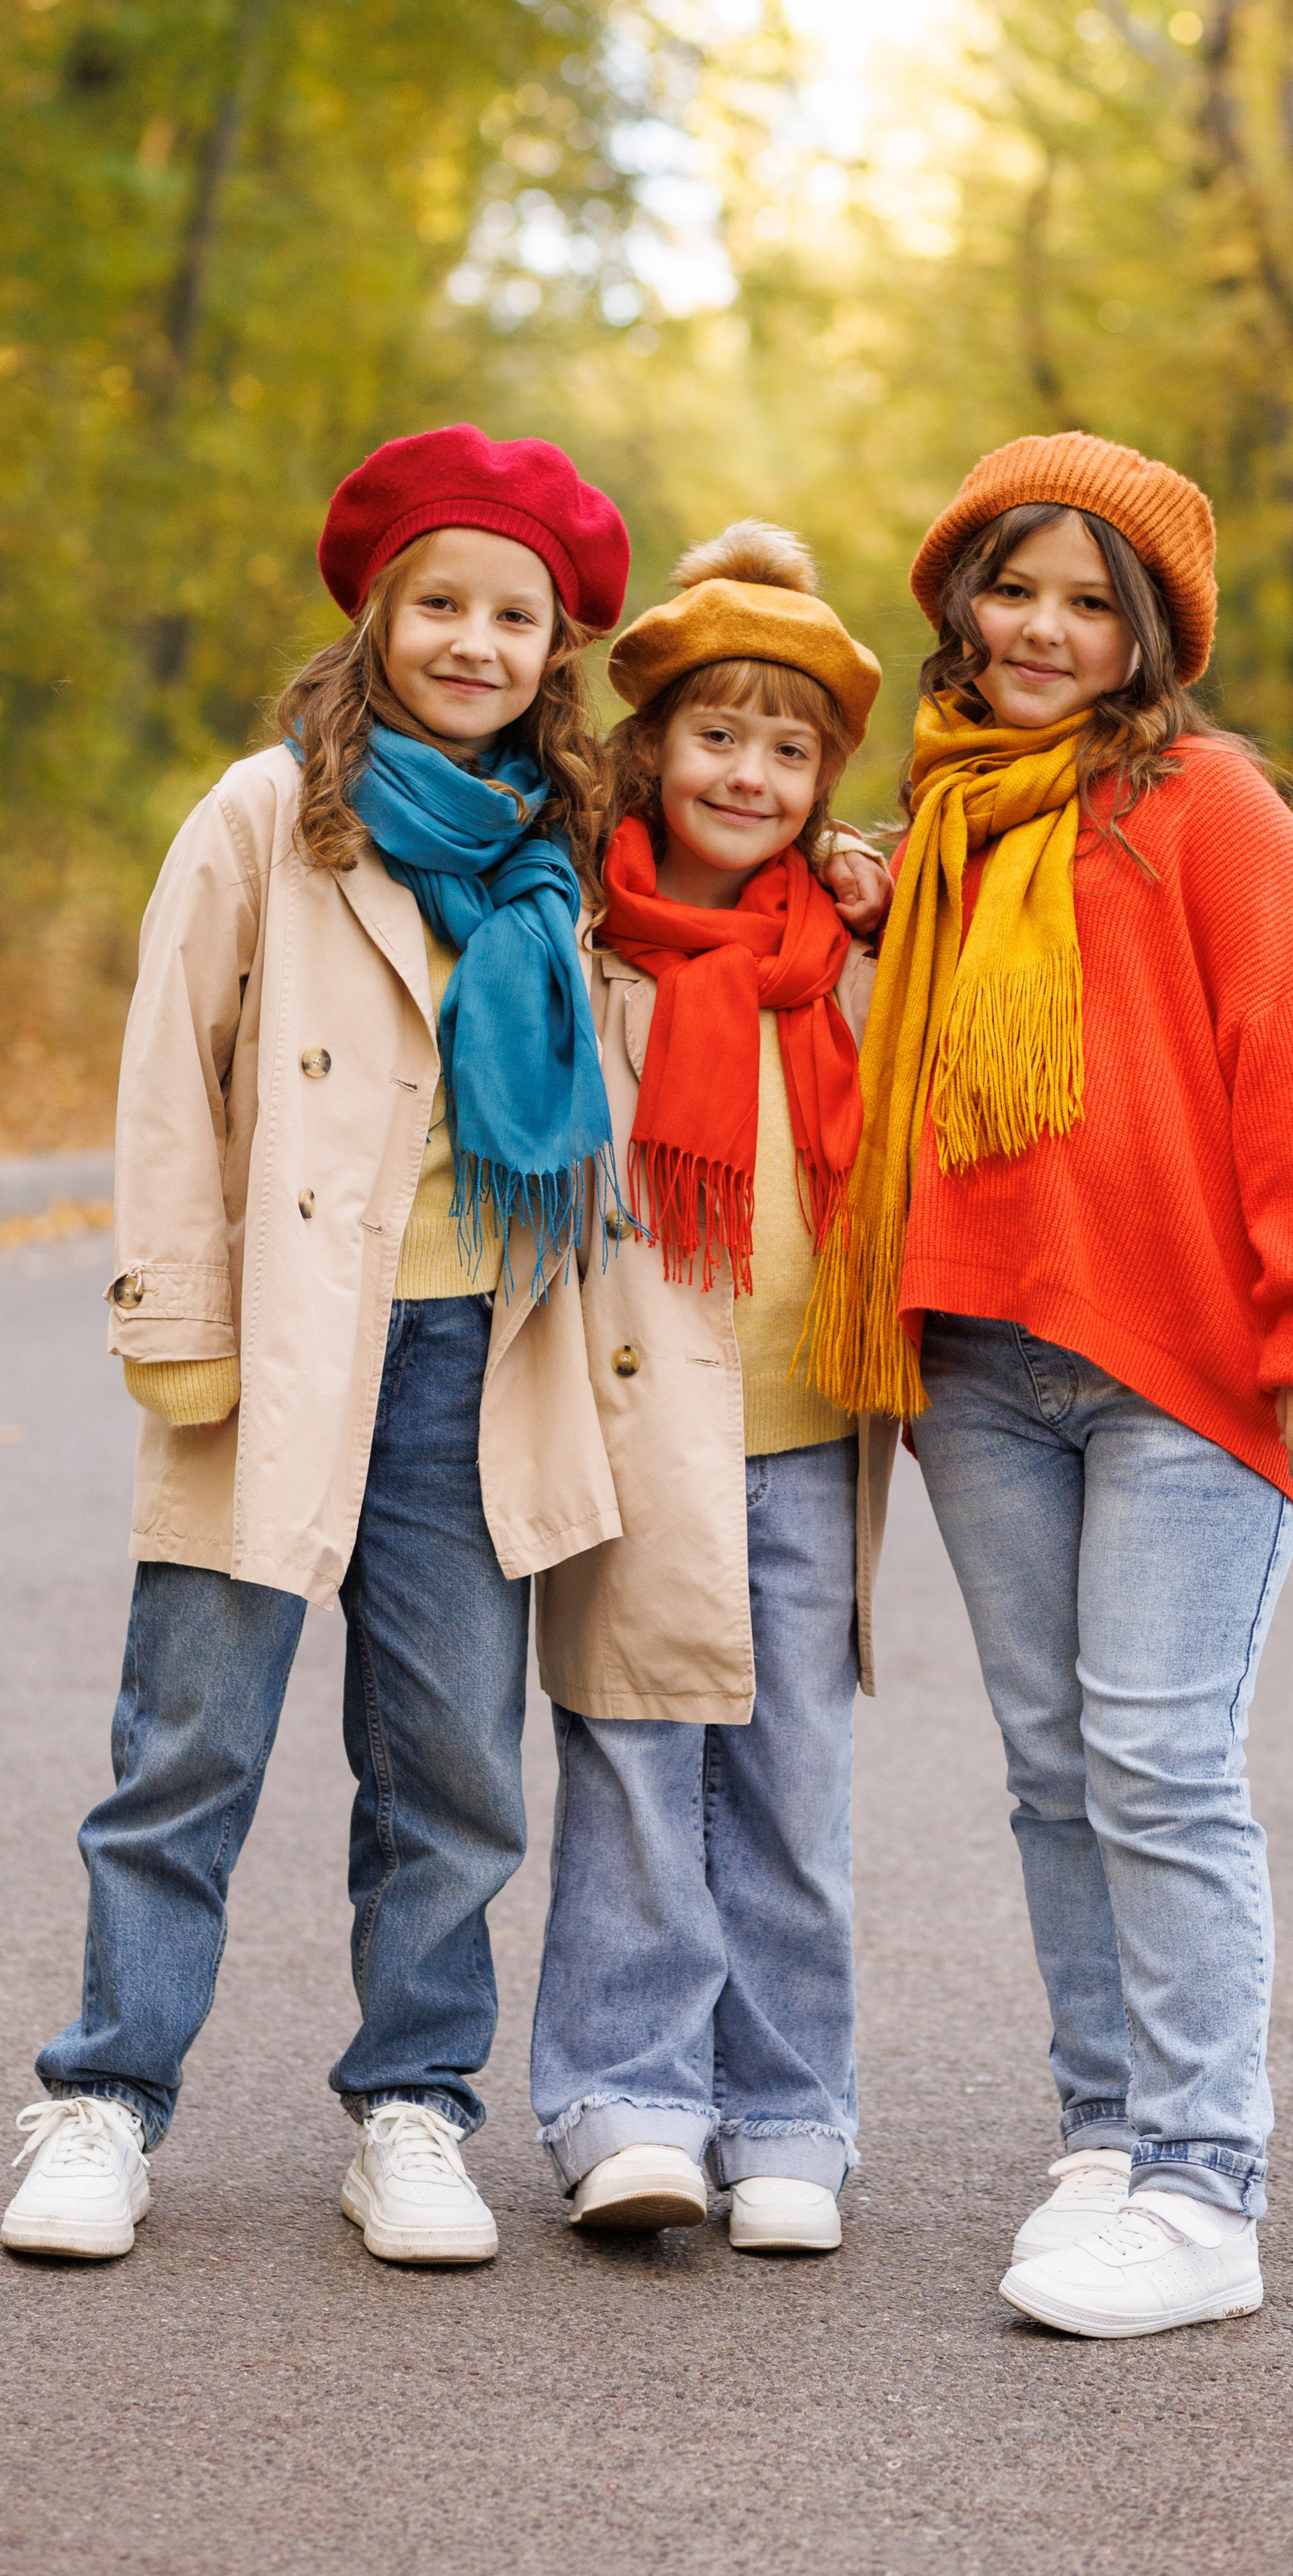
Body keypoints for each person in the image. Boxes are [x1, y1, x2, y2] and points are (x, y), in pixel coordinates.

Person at [1, 424, 634, 2269]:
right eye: (439, 603)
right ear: (376, 617)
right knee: (186, 1748)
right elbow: (167, 1082)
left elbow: (728, 919)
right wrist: (177, 1323)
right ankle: (106, 2098)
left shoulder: (568, 845)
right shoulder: (265, 816)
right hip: (279, 1348)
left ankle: (414, 2108)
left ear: (554, 648)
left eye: (511, 615)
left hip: (475, 1350)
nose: (473, 642)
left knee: (450, 1770)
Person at [812, 431, 1293, 2337]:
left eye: (1089, 601)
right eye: (1013, 588)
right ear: (957, 604)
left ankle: (1203, 2187)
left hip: (1181, 1367)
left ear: (1150, 632)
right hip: (981, 1364)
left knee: (1155, 1761)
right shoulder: (952, 821)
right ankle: (1105, 2138)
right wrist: (869, 917)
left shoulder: (1203, 804)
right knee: (1054, 1771)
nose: (1043, 629)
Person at [530, 521, 900, 2258]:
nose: (746, 773)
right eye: (714, 733)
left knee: (789, 1788)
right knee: (629, 1762)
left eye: (787, 747)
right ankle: (625, 2103)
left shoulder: (848, 956)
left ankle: (788, 2117)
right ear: (651, 744)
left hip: (809, 1429)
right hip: (632, 1420)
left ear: (822, 780)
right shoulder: (581, 937)